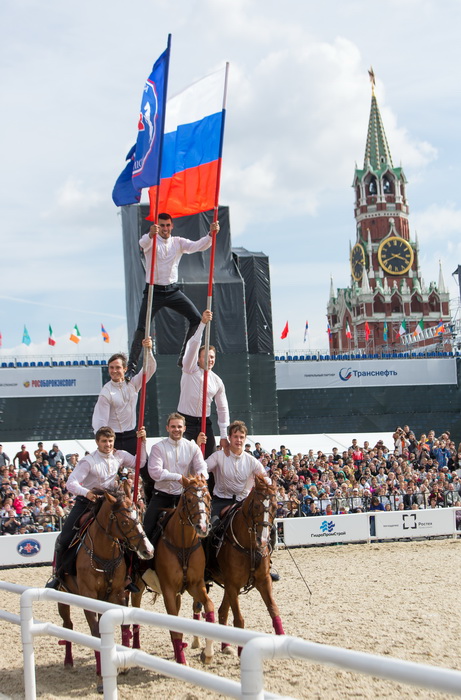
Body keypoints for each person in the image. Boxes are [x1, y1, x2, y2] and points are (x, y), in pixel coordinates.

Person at [46, 425, 147, 589]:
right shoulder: (88, 461)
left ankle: (128, 576)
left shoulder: (119, 456)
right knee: (64, 538)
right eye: (104, 441)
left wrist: (142, 442)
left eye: (110, 441)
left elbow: (139, 462)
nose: (108, 444)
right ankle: (59, 576)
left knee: (128, 534)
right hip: (87, 503)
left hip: (110, 504)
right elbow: (71, 483)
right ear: (97, 442)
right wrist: (87, 493)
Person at [125, 213, 220, 380]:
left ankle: (184, 357)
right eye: (162, 225)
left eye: (167, 225)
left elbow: (198, 246)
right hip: (153, 291)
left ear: (172, 226)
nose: (165, 229)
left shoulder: (178, 242)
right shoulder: (151, 241)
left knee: (197, 319)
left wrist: (210, 234)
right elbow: (142, 243)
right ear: (157, 226)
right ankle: (131, 367)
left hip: (172, 290)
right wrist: (150, 234)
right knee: (142, 328)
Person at [206, 420, 280, 581]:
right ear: (230, 438)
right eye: (235, 437)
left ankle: (268, 564)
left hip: (244, 503)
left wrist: (271, 485)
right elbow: (202, 469)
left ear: (245, 439)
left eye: (241, 437)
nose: (238, 440)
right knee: (210, 529)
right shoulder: (219, 456)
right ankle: (207, 568)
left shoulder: (251, 460)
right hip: (221, 501)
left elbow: (263, 477)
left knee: (271, 529)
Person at [92, 337, 156, 502]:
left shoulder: (133, 384)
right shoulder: (106, 392)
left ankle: (151, 504)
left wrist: (148, 350)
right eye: (111, 368)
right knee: (106, 477)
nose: (114, 371)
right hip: (114, 439)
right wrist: (105, 443)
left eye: (117, 368)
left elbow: (149, 369)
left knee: (148, 472)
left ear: (125, 368)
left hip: (132, 436)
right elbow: (100, 422)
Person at [142, 412, 208, 544]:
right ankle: (141, 563)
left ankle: (207, 563)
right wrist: (178, 477)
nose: (176, 430)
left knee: (204, 529)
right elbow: (155, 472)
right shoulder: (158, 448)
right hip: (161, 496)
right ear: (167, 428)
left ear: (184, 428)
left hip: (185, 498)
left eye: (179, 427)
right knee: (146, 529)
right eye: (173, 426)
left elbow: (202, 467)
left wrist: (201, 477)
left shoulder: (192, 447)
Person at [177, 310, 229, 459]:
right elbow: (192, 346)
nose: (210, 359)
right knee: (183, 459)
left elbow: (222, 408)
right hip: (184, 421)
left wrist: (224, 435)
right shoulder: (189, 369)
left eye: (212, 357)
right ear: (198, 359)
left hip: (205, 423)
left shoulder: (217, 381)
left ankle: (209, 483)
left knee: (209, 460)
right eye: (206, 356)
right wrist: (202, 325)